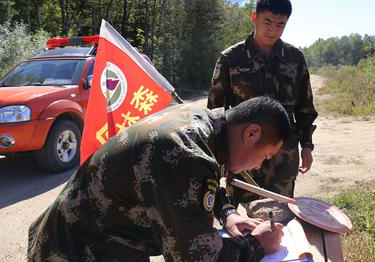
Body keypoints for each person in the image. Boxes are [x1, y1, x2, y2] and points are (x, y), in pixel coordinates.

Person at [27, 96, 289, 262]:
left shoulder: (205, 128)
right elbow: (194, 258)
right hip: (76, 251)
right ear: (252, 134)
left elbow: (197, 185)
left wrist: (228, 212)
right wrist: (258, 245)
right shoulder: (186, 152)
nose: (258, 167)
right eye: (265, 156)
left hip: (97, 240)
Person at [208, 0, 318, 205]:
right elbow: (216, 112)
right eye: (268, 21)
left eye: (280, 24)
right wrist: (218, 158)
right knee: (243, 220)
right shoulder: (231, 58)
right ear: (254, 17)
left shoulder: (294, 59)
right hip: (243, 156)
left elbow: (304, 107)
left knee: (281, 218)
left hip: (283, 158)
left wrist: (307, 145)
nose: (273, 30)